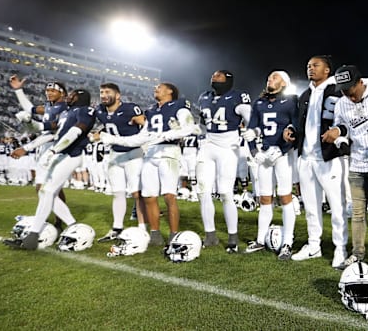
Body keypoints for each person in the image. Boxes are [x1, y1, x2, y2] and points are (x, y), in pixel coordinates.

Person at [322, 65, 368, 279]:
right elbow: (341, 127)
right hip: (356, 164)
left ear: (360, 82)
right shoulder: (342, 103)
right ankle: (357, 253)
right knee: (356, 213)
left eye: (350, 90)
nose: (348, 95)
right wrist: (340, 139)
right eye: (343, 91)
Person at [100, 83, 198, 246]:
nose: (155, 89)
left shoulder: (179, 106)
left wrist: (163, 136)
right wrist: (116, 140)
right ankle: (155, 234)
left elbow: (189, 128)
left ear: (170, 91)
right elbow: (141, 137)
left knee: (169, 195)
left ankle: (174, 234)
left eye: (159, 87)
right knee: (149, 196)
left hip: (169, 151)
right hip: (150, 153)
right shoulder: (151, 111)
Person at [4, 89, 96, 249]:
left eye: (72, 95)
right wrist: (28, 121)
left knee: (47, 191)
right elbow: (42, 128)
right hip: (61, 154)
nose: (68, 96)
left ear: (80, 97)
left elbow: (76, 131)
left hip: (71, 155)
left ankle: (33, 236)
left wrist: (54, 150)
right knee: (44, 192)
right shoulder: (65, 114)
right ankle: (73, 225)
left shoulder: (84, 110)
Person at [283, 55, 349, 268]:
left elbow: (348, 119)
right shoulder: (304, 94)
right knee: (311, 206)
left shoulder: (338, 90)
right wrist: (292, 130)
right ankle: (314, 245)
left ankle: (341, 248)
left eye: (315, 65)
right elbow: (299, 123)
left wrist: (338, 132)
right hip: (306, 157)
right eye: (308, 65)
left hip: (328, 157)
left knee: (337, 206)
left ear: (328, 70)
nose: (310, 68)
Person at [241, 70, 298, 260]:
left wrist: (282, 150)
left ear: (284, 82)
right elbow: (251, 130)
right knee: (264, 198)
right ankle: (259, 239)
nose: (270, 79)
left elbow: (296, 129)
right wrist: (254, 151)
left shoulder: (291, 101)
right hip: (264, 155)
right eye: (269, 77)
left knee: (285, 197)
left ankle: (287, 242)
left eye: (275, 77)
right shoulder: (259, 103)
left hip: (283, 156)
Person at [195, 70, 251, 252]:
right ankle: (210, 235)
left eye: (219, 76)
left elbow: (251, 119)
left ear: (228, 80)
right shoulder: (204, 97)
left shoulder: (238, 97)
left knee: (225, 192)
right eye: (213, 75)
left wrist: (252, 137)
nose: (214, 77)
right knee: (203, 192)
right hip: (208, 144)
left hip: (228, 147)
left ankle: (232, 237)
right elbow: (203, 122)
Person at [9, 76, 70, 230]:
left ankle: (60, 221)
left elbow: (53, 133)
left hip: (55, 148)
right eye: (47, 90)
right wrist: (18, 91)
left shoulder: (64, 109)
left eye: (52, 90)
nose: (48, 93)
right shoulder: (50, 106)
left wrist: (26, 148)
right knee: (50, 188)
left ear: (62, 93)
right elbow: (30, 109)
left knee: (43, 187)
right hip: (44, 148)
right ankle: (57, 220)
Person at [91, 83, 148, 242]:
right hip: (115, 154)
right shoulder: (99, 110)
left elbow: (147, 126)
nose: (103, 95)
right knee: (118, 192)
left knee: (136, 192)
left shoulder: (130, 109)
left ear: (118, 95)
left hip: (133, 153)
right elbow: (109, 124)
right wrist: (98, 133)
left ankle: (142, 228)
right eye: (101, 92)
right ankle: (117, 228)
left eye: (107, 92)